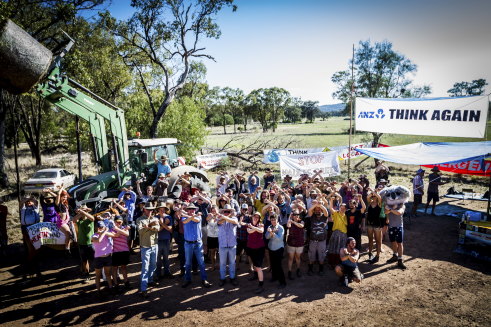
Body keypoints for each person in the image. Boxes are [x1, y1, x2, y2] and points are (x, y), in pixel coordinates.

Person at [181, 204, 211, 288]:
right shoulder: (185, 218)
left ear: (195, 210)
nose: (191, 210)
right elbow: (184, 222)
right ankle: (187, 279)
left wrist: (186, 215)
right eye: (189, 209)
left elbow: (196, 220)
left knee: (201, 262)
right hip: (188, 243)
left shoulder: (198, 217)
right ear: (187, 210)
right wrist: (189, 215)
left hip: (198, 243)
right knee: (187, 263)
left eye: (193, 209)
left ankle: (204, 279)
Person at [136, 202, 160, 297]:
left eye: (151, 210)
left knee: (153, 265)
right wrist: (151, 226)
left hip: (154, 245)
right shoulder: (139, 219)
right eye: (148, 209)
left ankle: (150, 280)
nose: (150, 211)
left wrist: (148, 227)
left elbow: (157, 228)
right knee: (145, 267)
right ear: (144, 209)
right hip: (145, 246)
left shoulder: (155, 218)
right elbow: (140, 231)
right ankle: (143, 288)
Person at [92, 221, 116, 295]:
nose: (100, 228)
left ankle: (111, 288)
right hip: (98, 258)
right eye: (99, 227)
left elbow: (113, 235)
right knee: (98, 276)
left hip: (107, 257)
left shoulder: (106, 234)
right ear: (96, 228)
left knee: (108, 274)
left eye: (102, 227)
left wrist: (105, 232)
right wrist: (104, 231)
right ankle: (98, 291)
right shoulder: (94, 236)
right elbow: (99, 240)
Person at [217, 204, 239, 286]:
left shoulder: (234, 218)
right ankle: (222, 279)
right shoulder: (220, 219)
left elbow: (234, 222)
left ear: (230, 211)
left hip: (232, 245)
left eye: (228, 211)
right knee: (222, 263)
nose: (227, 212)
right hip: (222, 245)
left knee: (232, 263)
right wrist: (228, 216)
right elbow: (219, 222)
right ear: (223, 212)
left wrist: (227, 216)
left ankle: (232, 278)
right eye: (225, 211)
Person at [72, 205, 95, 283]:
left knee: (95, 259)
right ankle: (87, 275)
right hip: (81, 243)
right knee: (84, 261)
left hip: (91, 243)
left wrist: (83, 211)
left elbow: (92, 218)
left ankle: (100, 274)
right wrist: (82, 212)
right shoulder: (79, 220)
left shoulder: (89, 219)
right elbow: (74, 220)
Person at [306, 202, 329, 276]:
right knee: (311, 256)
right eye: (316, 209)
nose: (317, 210)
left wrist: (320, 205)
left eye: (319, 209)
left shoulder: (324, 216)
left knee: (321, 256)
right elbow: (309, 211)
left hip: (322, 240)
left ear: (321, 210)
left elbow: (326, 211)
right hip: (313, 240)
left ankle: (321, 269)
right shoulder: (312, 216)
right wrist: (316, 205)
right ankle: (310, 269)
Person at [326, 193, 348, 268]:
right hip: (335, 233)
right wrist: (331, 200)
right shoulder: (336, 213)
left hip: (343, 234)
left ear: (345, 209)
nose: (342, 209)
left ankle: (341, 263)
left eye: (343, 208)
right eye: (341, 207)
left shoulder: (347, 215)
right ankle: (332, 263)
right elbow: (331, 208)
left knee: (341, 248)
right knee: (333, 248)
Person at [265, 214, 286, 288]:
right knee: (273, 264)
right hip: (271, 248)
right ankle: (274, 277)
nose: (273, 221)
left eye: (274, 219)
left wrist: (272, 233)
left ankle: (283, 282)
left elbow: (280, 238)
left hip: (279, 248)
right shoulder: (269, 227)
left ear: (277, 220)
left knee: (278, 266)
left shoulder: (281, 228)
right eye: (272, 220)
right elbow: (266, 237)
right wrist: (270, 233)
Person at [247, 212, 266, 294]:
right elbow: (249, 232)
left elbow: (261, 231)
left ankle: (261, 285)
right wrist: (254, 227)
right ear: (252, 217)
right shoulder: (249, 224)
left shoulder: (261, 224)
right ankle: (255, 276)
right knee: (255, 264)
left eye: (257, 217)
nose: (256, 218)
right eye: (255, 216)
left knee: (258, 267)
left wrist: (253, 227)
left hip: (259, 248)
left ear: (259, 219)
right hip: (251, 247)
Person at [111, 216, 131, 290]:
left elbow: (127, 234)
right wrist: (124, 230)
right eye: (117, 222)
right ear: (114, 222)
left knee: (124, 267)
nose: (119, 223)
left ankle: (126, 282)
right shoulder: (112, 229)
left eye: (120, 222)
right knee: (114, 268)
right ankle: (116, 284)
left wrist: (118, 229)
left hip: (124, 250)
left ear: (122, 222)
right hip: (115, 251)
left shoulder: (118, 228)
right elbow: (115, 235)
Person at [385, 200, 407, 269]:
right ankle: (395, 255)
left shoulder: (402, 206)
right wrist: (390, 209)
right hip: (391, 226)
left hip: (399, 226)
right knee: (393, 242)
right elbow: (385, 212)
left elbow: (399, 212)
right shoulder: (390, 205)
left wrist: (391, 209)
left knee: (400, 243)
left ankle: (400, 260)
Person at [156, 202, 173, 279]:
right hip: (157, 240)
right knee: (158, 258)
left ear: (165, 210)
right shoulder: (155, 217)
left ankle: (167, 272)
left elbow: (170, 230)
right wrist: (164, 224)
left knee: (166, 257)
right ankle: (158, 274)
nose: (162, 211)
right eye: (160, 209)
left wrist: (162, 224)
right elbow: (157, 230)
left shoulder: (169, 217)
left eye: (163, 209)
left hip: (166, 240)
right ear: (158, 210)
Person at [365, 189, 383, 263]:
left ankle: (377, 255)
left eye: (374, 196)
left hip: (377, 225)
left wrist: (374, 192)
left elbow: (380, 198)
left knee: (378, 241)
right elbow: (367, 197)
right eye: (373, 196)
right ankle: (370, 253)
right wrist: (372, 193)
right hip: (370, 224)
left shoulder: (379, 203)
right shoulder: (370, 203)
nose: (373, 197)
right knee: (370, 239)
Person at [55, 188, 74, 255]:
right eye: (63, 197)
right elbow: (58, 194)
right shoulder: (58, 204)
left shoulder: (65, 204)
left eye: (65, 197)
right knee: (68, 234)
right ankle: (67, 249)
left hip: (66, 221)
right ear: (60, 197)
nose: (65, 198)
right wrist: (61, 189)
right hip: (61, 222)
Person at [286, 209, 304, 280]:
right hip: (291, 242)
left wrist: (293, 221)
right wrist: (289, 217)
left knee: (298, 257)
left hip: (299, 243)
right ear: (292, 216)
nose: (296, 216)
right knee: (290, 258)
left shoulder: (301, 221)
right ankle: (289, 272)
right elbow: (288, 225)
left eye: (297, 215)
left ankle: (298, 269)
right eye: (294, 215)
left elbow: (301, 226)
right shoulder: (290, 222)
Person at [206, 206, 220, 270]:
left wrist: (217, 216)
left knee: (220, 253)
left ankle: (219, 265)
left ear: (217, 210)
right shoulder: (209, 216)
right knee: (212, 252)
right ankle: (213, 265)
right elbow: (207, 219)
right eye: (212, 211)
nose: (214, 212)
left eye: (215, 211)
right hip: (211, 237)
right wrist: (212, 216)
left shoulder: (220, 217)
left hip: (218, 237)